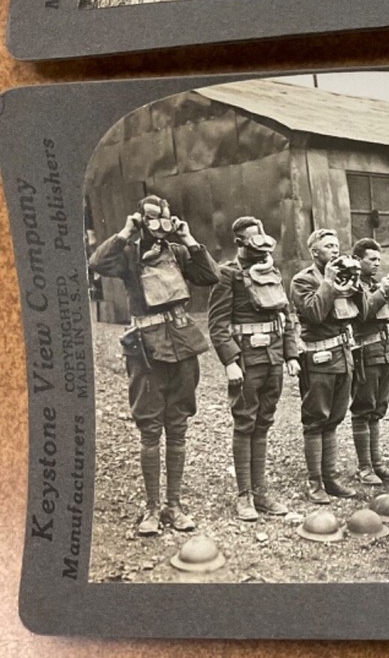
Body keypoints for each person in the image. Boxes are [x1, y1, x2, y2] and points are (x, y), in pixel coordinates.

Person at [89, 195, 219, 535]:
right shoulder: (129, 255)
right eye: (150, 218)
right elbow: (97, 263)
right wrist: (124, 232)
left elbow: (210, 275)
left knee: (177, 425)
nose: (159, 225)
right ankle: (151, 509)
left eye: (163, 218)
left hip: (183, 346)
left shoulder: (177, 253)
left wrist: (188, 238)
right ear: (140, 219)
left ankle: (173, 506)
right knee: (150, 428)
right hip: (145, 350)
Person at [207, 217, 299, 521]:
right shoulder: (227, 274)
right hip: (247, 360)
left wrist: (291, 354)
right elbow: (217, 325)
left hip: (273, 359)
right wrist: (230, 362)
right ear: (239, 242)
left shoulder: (272, 271)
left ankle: (261, 492)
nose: (260, 244)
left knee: (263, 423)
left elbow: (286, 316)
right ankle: (244, 495)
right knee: (245, 423)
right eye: (252, 238)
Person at [289, 229, 360, 504]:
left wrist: (355, 283)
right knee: (316, 420)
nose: (335, 250)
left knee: (334, 419)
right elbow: (315, 313)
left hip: (343, 355)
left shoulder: (343, 276)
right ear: (314, 252)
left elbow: (361, 312)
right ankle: (314, 481)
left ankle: (330, 478)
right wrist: (329, 281)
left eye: (336, 245)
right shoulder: (302, 280)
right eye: (328, 246)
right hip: (318, 358)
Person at [349, 238, 389, 485]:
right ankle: (364, 467)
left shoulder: (376, 285)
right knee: (364, 408)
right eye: (371, 259)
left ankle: (377, 463)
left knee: (378, 409)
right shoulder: (352, 285)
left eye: (378, 260)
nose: (376, 263)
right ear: (357, 260)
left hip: (386, 351)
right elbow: (364, 313)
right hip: (366, 352)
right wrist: (383, 292)